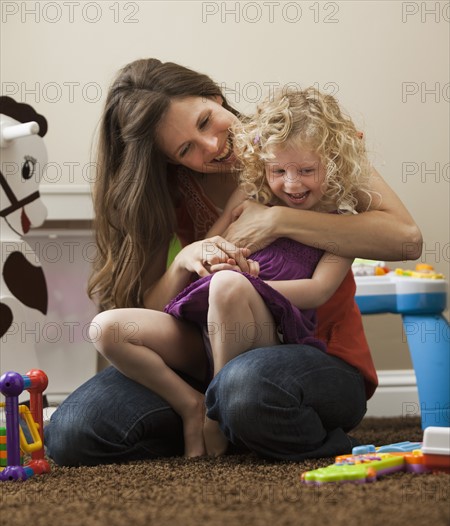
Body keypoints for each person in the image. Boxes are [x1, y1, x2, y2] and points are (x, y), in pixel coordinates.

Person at [44, 58, 422, 466]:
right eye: (186, 148)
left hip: (313, 352)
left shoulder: (302, 140)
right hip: (205, 349)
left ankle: (248, 421)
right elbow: (153, 312)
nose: (211, 146)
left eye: (206, 120)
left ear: (216, 97)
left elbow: (406, 238)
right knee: (72, 432)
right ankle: (228, 423)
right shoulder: (169, 190)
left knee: (243, 389)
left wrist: (279, 219)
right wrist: (182, 263)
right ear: (169, 160)